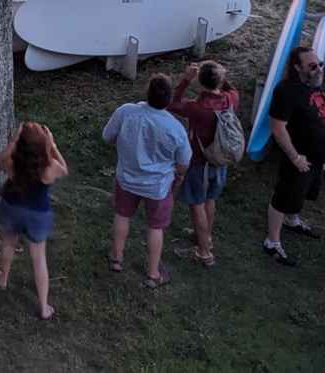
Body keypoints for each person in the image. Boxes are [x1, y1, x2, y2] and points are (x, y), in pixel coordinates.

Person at [102, 74, 190, 288]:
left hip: (126, 179)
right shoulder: (175, 127)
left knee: (122, 215)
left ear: (147, 92)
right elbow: (183, 161)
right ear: (169, 99)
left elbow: (107, 136)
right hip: (158, 187)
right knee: (155, 227)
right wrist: (178, 176)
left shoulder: (126, 112)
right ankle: (152, 273)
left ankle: (116, 257)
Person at [264, 47, 325, 266]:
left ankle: (292, 219)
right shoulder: (286, 91)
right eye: (312, 66)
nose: (318, 69)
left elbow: (323, 107)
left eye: (320, 64)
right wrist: (294, 156)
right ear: (297, 68)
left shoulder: (316, 83)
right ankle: (272, 241)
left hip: (319, 156)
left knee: (303, 191)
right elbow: (277, 127)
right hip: (300, 157)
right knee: (284, 196)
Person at [0, 122, 68, 320]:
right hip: (37, 215)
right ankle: (43, 307)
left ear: (20, 145)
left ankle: (3, 279)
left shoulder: (12, 162)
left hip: (12, 207)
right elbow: (65, 170)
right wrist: (53, 147)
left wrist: (13, 141)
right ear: (43, 146)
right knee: (38, 258)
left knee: (8, 244)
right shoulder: (49, 167)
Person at [170, 61, 240, 267]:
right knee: (210, 200)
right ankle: (206, 237)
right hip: (220, 161)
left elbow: (172, 103)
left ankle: (204, 252)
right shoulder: (231, 99)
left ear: (200, 82)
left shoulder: (196, 107)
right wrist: (220, 75)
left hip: (199, 163)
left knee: (197, 205)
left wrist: (185, 79)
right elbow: (231, 88)